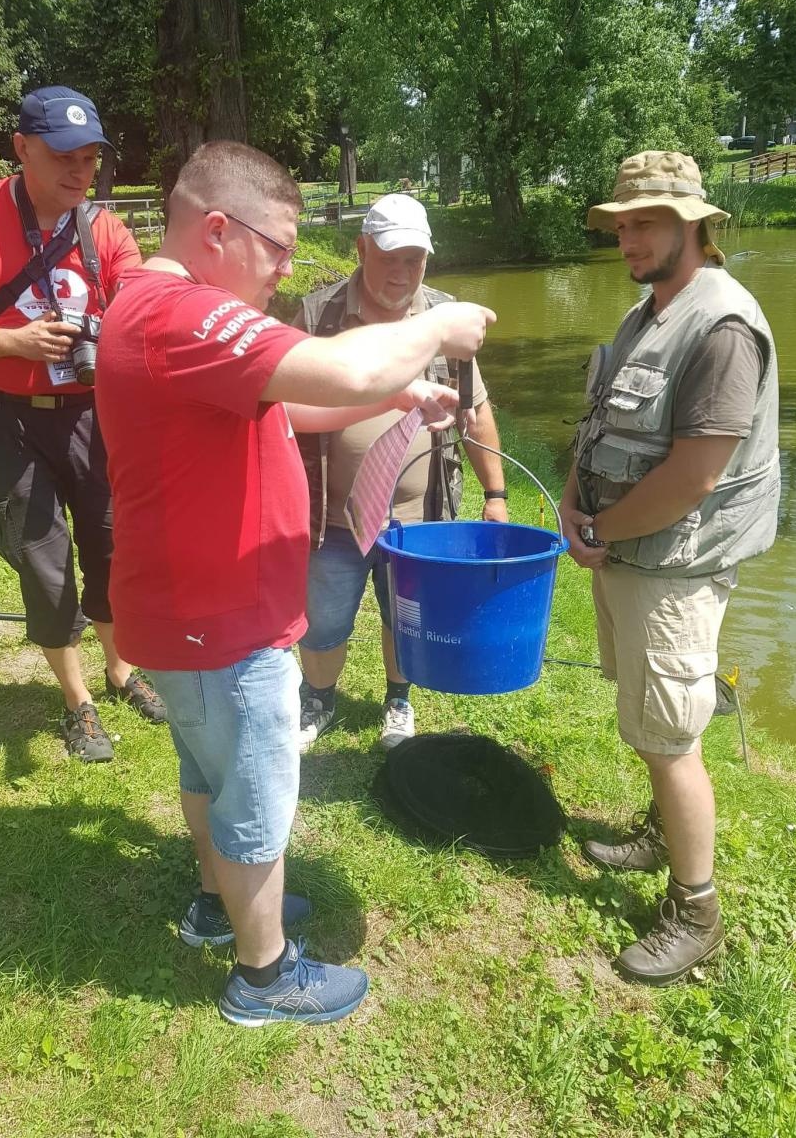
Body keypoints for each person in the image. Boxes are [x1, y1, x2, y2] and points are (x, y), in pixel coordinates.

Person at [95, 141, 494, 1025]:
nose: (284, 267)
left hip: (193, 612)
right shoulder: (183, 315)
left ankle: (216, 905)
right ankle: (264, 975)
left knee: (206, 770)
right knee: (254, 793)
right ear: (214, 230)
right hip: (219, 621)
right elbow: (348, 364)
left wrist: (394, 399)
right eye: (275, 245)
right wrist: (436, 327)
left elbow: (299, 400)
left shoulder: (166, 312)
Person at [561, 151, 779, 985]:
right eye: (621, 223)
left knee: (673, 736)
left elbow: (696, 475)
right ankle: (659, 835)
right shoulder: (650, 311)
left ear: (695, 223)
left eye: (643, 222)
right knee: (653, 722)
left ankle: (697, 911)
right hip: (624, 550)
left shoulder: (721, 327)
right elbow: (599, 424)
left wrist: (603, 531)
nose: (627, 237)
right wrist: (573, 508)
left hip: (674, 567)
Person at [0, 86, 166, 764]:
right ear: (21, 148)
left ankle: (120, 670)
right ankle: (78, 700)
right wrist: (16, 344)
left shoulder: (104, 228)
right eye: (62, 157)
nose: (80, 172)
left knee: (111, 549)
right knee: (43, 561)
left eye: (90, 158)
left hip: (92, 415)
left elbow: (141, 304)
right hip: (6, 418)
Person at [293, 194, 508, 751]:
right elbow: (285, 406)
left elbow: (474, 409)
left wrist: (496, 494)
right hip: (329, 518)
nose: (402, 272)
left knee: (406, 614)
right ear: (362, 248)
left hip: (419, 521)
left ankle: (398, 699)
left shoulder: (445, 320)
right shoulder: (320, 316)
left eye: (414, 259)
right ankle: (318, 699)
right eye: (390, 256)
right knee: (321, 622)